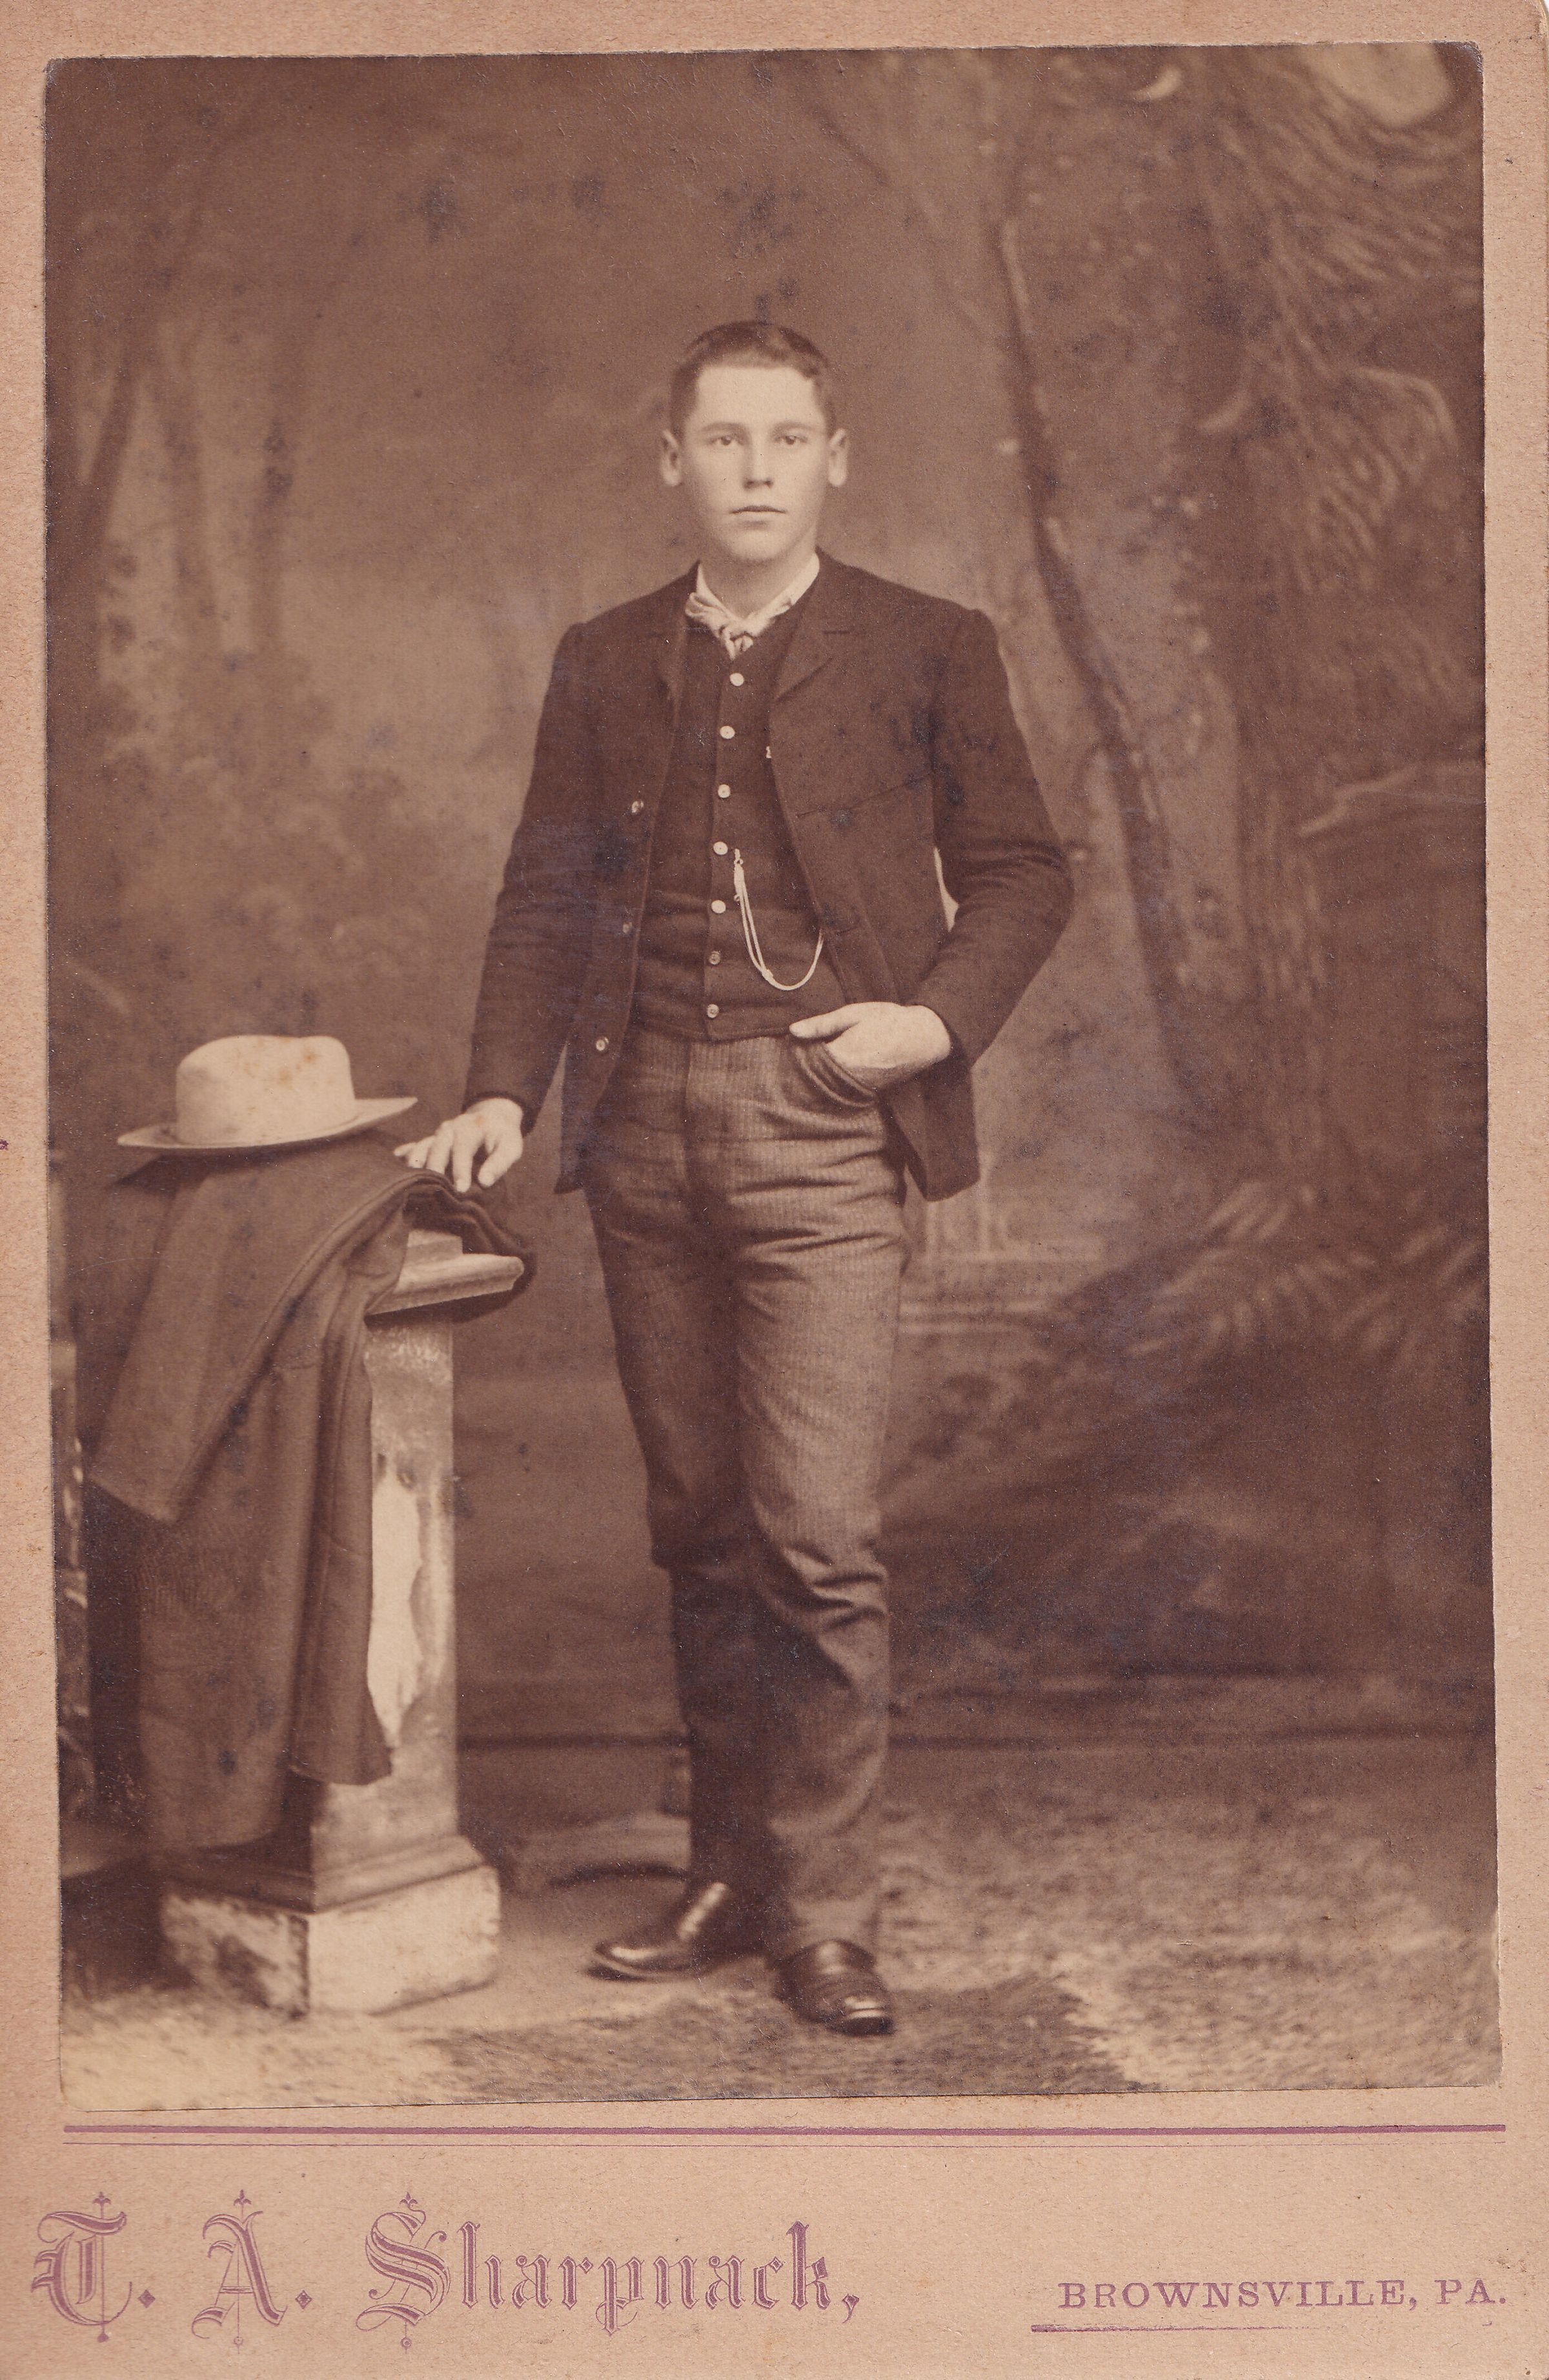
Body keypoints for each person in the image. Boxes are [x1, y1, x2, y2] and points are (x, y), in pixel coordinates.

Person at [401, 321, 1073, 2037]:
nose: (757, 470)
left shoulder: (930, 645)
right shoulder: (605, 658)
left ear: (836, 459)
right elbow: (547, 895)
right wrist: (502, 1094)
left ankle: (824, 1916)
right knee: (700, 1529)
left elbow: (1022, 872)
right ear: (672, 462)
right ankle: (726, 1872)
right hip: (639, 1130)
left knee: (815, 1539)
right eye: (724, 440)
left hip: (824, 1130)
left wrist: (929, 1026)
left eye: (787, 440)